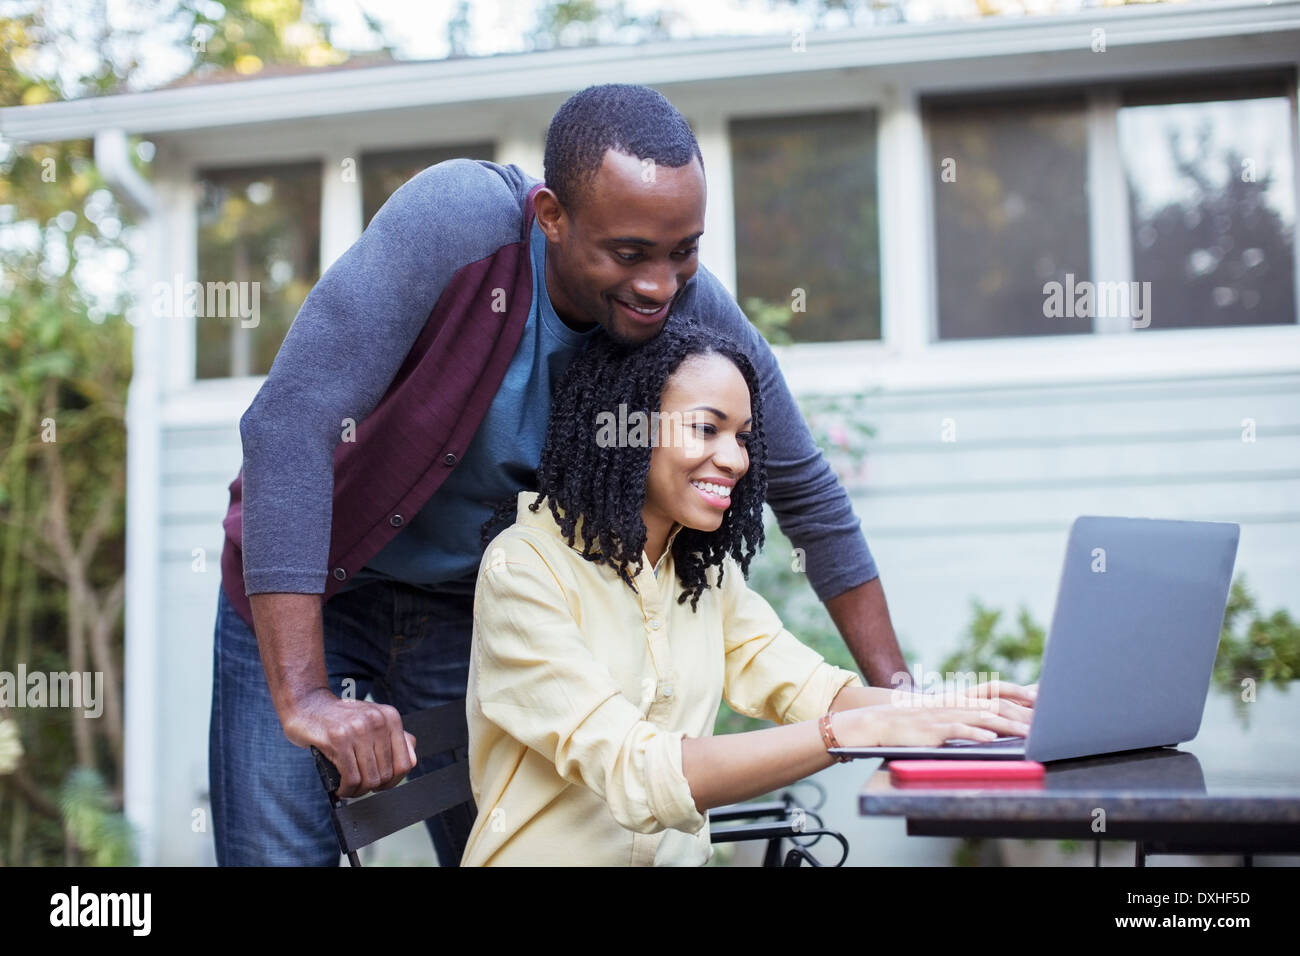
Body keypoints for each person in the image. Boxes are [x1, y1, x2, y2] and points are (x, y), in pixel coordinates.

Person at [211, 83, 910, 867]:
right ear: (551, 216)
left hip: (470, 606)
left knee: (527, 840)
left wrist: (900, 704)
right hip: (314, 586)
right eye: (629, 253)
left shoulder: (687, 306)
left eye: (684, 250)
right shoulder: (456, 224)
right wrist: (304, 693)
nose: (658, 285)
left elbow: (804, 486)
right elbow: (288, 423)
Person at [462, 317, 1036, 866]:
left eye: (743, 437)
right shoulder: (524, 569)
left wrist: (962, 709)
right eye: (706, 429)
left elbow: (818, 694)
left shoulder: (699, 574)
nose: (735, 459)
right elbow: (637, 773)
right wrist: (849, 734)